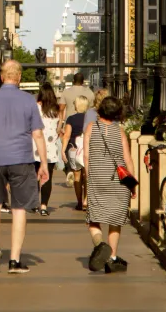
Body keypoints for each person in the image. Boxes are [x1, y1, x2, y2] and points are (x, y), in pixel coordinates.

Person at [0, 59, 49, 274]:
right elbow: (38, 134)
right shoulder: (28, 101)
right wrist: (43, 162)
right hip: (21, 160)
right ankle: (14, 260)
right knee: (19, 208)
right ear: (20, 77)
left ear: (2, 77)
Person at [83, 96, 134, 274]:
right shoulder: (120, 132)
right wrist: (132, 184)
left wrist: (88, 179)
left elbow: (86, 157)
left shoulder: (90, 128)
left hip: (97, 178)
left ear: (100, 110)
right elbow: (127, 159)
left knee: (94, 218)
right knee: (115, 221)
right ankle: (112, 258)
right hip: (117, 181)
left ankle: (100, 245)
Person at [34, 81, 62, 216]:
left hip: (35, 147)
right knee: (47, 177)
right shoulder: (56, 110)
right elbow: (58, 129)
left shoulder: (35, 108)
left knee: (35, 175)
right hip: (50, 149)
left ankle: (34, 203)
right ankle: (44, 206)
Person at [61, 95, 89, 210]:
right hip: (87, 149)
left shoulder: (71, 119)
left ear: (76, 105)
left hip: (74, 149)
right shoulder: (91, 119)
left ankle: (79, 202)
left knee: (77, 176)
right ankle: (87, 201)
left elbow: (67, 136)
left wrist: (63, 151)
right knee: (87, 175)